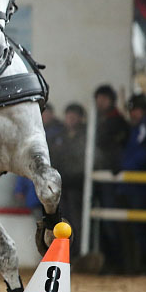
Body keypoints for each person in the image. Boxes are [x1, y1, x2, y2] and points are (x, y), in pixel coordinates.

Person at [113, 93, 146, 274]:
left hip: (139, 186)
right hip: (133, 185)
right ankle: (135, 266)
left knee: (140, 230)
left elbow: (141, 155)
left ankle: (143, 266)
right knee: (133, 229)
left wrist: (123, 166)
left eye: (135, 110)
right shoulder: (140, 128)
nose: (132, 114)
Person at [49, 103, 87, 258]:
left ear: (80, 118)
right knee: (62, 221)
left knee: (76, 222)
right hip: (61, 186)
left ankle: (76, 254)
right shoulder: (58, 137)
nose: (70, 119)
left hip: (77, 187)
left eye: (74, 116)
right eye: (68, 116)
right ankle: (62, 254)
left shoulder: (85, 137)